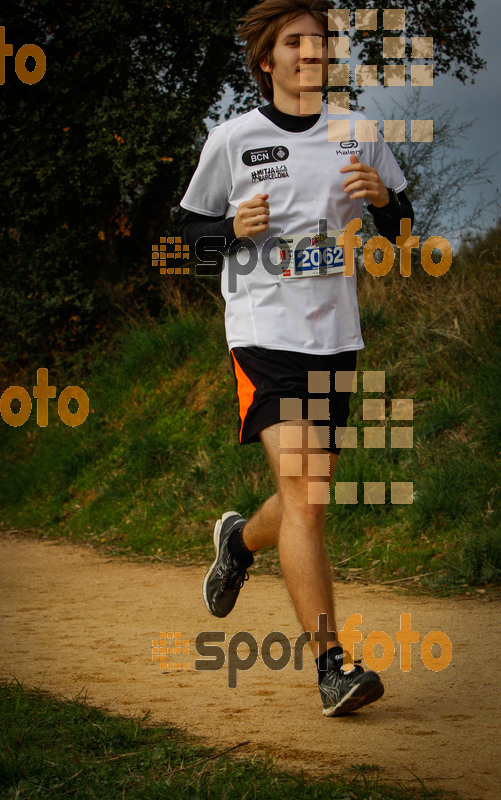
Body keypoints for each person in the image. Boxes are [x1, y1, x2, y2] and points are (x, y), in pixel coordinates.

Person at [179, 0, 413, 716]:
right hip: (260, 333)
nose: (312, 52)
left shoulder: (359, 133)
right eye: (296, 42)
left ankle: (239, 542)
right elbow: (189, 237)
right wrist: (227, 226)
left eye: (320, 42)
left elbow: (401, 229)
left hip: (333, 336)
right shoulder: (233, 140)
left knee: (303, 500)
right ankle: (332, 669)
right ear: (267, 61)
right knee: (309, 499)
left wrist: (382, 203)